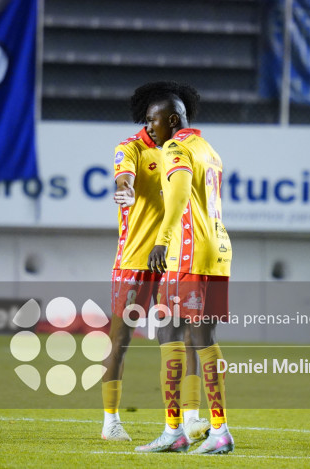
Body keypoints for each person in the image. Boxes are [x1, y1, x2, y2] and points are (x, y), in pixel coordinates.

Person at [102, 82, 211, 443]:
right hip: (135, 260)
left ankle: (192, 418)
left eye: (155, 120)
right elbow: (124, 176)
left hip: (175, 261)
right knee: (120, 342)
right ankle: (111, 421)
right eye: (147, 119)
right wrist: (126, 187)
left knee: (182, 339)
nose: (150, 126)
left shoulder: (185, 151)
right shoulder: (130, 148)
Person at [135, 82, 234, 455]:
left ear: (172, 120)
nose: (149, 129)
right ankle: (212, 429)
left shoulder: (174, 148)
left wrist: (161, 240)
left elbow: (176, 198)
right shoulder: (208, 149)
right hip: (218, 251)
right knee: (202, 339)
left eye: (153, 121)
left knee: (169, 334)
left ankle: (178, 430)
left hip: (187, 254)